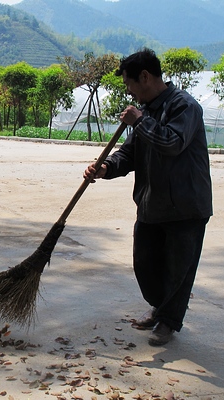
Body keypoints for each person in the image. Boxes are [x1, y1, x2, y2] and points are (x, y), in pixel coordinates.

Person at [84, 48, 213, 346]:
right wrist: (105, 167)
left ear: (145, 77)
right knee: (145, 263)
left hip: (185, 206)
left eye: (129, 83)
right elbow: (129, 153)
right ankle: (160, 307)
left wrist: (140, 121)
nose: (129, 90)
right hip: (151, 203)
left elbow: (172, 143)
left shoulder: (185, 107)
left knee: (179, 268)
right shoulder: (148, 111)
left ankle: (168, 320)